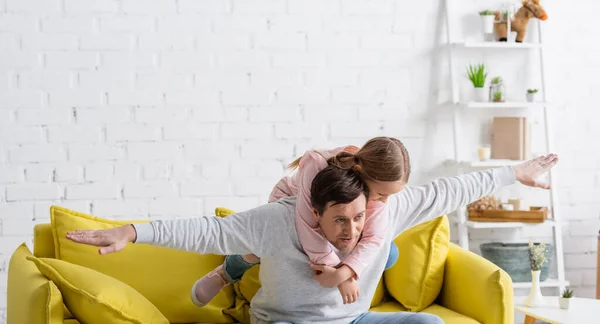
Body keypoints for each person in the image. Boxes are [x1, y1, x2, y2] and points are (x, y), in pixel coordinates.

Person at [66, 151, 558, 324]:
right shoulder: (277, 220)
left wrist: (516, 172)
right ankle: (230, 273)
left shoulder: (382, 211)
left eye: (359, 217)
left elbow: (452, 189)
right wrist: (132, 231)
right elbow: (207, 229)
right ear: (315, 213)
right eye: (340, 221)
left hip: (353, 319)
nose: (352, 231)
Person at [193, 137, 408, 307]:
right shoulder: (317, 166)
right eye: (381, 194)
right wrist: (340, 276)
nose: (384, 201)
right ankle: (225, 274)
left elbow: (376, 236)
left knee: (390, 253)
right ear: (361, 173)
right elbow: (308, 228)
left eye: (389, 195)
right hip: (296, 212)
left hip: (338, 221)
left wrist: (346, 271)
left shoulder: (377, 193)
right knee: (265, 246)